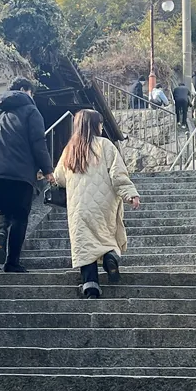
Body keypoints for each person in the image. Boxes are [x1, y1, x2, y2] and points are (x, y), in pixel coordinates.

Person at [52, 109, 140, 298]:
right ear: (94, 125)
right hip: (103, 203)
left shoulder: (70, 149)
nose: (101, 126)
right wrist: (130, 194)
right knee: (106, 235)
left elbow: (59, 177)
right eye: (100, 123)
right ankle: (110, 257)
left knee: (84, 244)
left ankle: (90, 284)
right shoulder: (105, 145)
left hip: (79, 207)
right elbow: (118, 174)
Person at [0, 77, 53, 272]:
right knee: (20, 215)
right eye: (31, 93)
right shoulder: (31, 110)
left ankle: (0, 232)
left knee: (2, 211)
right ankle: (12, 262)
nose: (32, 97)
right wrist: (47, 171)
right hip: (20, 172)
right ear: (24, 89)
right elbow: (38, 143)